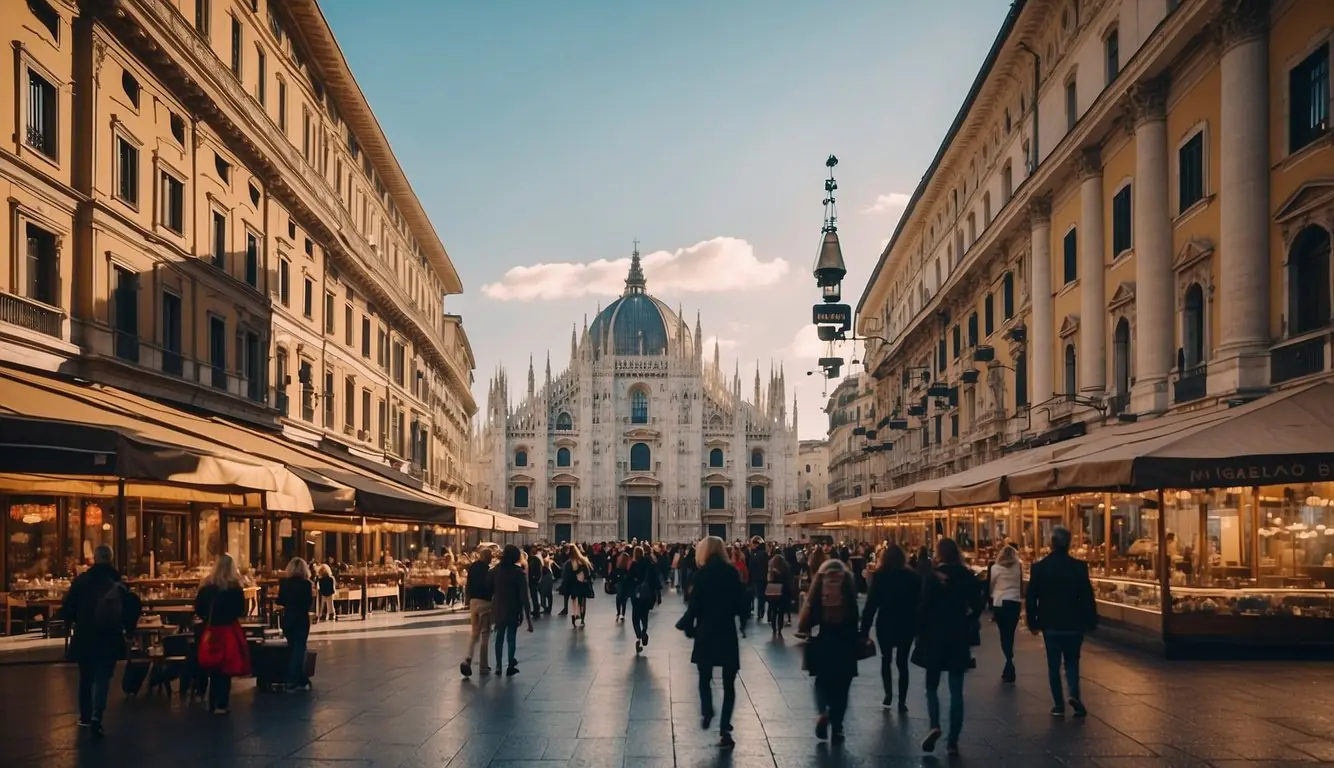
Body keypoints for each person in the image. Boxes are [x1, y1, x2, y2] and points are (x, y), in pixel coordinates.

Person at [59, 545, 140, 737]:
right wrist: (129, 632)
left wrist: (72, 621)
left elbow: (68, 608)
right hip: (110, 635)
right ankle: (97, 715)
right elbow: (131, 608)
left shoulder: (82, 581)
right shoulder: (118, 582)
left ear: (94, 558)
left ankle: (85, 716)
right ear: (111, 559)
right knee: (104, 676)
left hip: (85, 634)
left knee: (86, 677)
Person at [913, 538, 983, 756]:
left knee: (931, 686)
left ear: (939, 553)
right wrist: (969, 619)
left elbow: (922, 606)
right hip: (958, 636)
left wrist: (919, 631)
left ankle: (934, 724)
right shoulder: (966, 576)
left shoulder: (931, 577)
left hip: (934, 636)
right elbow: (978, 605)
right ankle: (953, 742)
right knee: (956, 691)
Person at [676, 536, 748, 749]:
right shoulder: (732, 573)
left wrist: (688, 627)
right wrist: (743, 623)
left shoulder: (701, 576)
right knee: (729, 684)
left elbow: (694, 607)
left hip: (706, 633)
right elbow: (742, 603)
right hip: (726, 632)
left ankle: (707, 711)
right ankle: (725, 728)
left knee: (704, 678)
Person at [1026, 526, 1098, 717]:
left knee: (1053, 664)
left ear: (1051, 543)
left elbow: (1031, 596)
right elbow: (1087, 596)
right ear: (1069, 543)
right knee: (1072, 662)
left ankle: (1058, 704)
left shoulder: (1040, 567)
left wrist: (1032, 621)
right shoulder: (1079, 567)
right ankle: (1074, 694)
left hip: (1050, 623)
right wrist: (1091, 620)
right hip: (1074, 623)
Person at [798, 558, 861, 743]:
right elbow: (855, 614)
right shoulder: (848, 585)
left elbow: (807, 615)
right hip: (846, 642)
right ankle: (838, 727)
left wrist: (805, 629)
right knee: (843, 687)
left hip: (822, 640)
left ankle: (822, 711)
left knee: (821, 682)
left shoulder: (819, 586)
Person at [859, 544, 920, 711]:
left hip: (885, 623)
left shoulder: (880, 577)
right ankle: (902, 701)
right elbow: (919, 604)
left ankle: (888, 694)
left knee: (886, 660)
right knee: (903, 663)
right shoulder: (912, 577)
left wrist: (864, 631)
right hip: (906, 623)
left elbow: (871, 606)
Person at [195, 553, 248, 715]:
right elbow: (241, 611)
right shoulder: (235, 588)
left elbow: (199, 609)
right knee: (226, 667)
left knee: (213, 666)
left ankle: (211, 700)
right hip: (228, 630)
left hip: (210, 630)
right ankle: (221, 703)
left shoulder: (206, 587)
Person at [488, 545, 534, 675]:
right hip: (513, 608)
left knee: (499, 637)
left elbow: (488, 586)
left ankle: (498, 665)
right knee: (511, 637)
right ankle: (509, 664)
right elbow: (524, 597)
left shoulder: (496, 570)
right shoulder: (519, 573)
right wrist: (529, 620)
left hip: (499, 607)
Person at [277, 557, 314, 692]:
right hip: (301, 619)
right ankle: (293, 680)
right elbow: (309, 603)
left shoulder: (284, 583)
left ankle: (302, 680)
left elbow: (279, 600)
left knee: (293, 648)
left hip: (288, 618)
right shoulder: (306, 584)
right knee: (299, 650)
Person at [989, 544, 1023, 683]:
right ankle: (1008, 665)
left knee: (1004, 634)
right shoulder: (1017, 567)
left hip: (1001, 601)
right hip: (1014, 601)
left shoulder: (995, 568)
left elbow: (991, 583)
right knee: (1011, 633)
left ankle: (1009, 661)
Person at [460, 547, 495, 678]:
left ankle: (468, 657)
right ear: (486, 557)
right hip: (485, 603)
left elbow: (468, 584)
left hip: (473, 602)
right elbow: (491, 587)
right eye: (490, 556)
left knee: (474, 633)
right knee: (485, 635)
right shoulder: (488, 571)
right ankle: (483, 666)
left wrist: (467, 599)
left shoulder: (473, 567)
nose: (492, 558)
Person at [627, 546, 661, 653]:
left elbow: (629, 579)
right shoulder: (649, 565)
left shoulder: (634, 565)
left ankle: (638, 637)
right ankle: (644, 631)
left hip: (636, 594)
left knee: (635, 617)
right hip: (647, 594)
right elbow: (656, 579)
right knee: (644, 616)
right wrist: (658, 594)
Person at [562, 544, 594, 628]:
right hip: (583, 584)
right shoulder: (583, 560)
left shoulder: (569, 563)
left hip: (573, 585)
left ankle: (574, 616)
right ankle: (582, 618)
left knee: (574, 602)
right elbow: (588, 573)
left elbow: (567, 576)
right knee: (582, 602)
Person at [764, 555, 793, 638]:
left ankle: (774, 628)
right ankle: (780, 628)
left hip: (773, 589)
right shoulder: (786, 568)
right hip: (783, 591)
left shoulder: (771, 568)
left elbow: (769, 579)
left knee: (773, 610)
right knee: (781, 612)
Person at [746, 538, 770, 622]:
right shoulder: (766, 555)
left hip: (756, 578)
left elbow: (750, 566)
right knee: (763, 595)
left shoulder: (754, 555)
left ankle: (759, 612)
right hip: (764, 577)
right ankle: (763, 612)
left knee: (759, 595)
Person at [611, 549, 632, 622]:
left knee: (618, 598)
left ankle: (618, 612)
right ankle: (623, 613)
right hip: (625, 584)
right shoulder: (627, 568)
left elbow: (613, 575)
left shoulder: (618, 567)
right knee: (624, 600)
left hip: (619, 584)